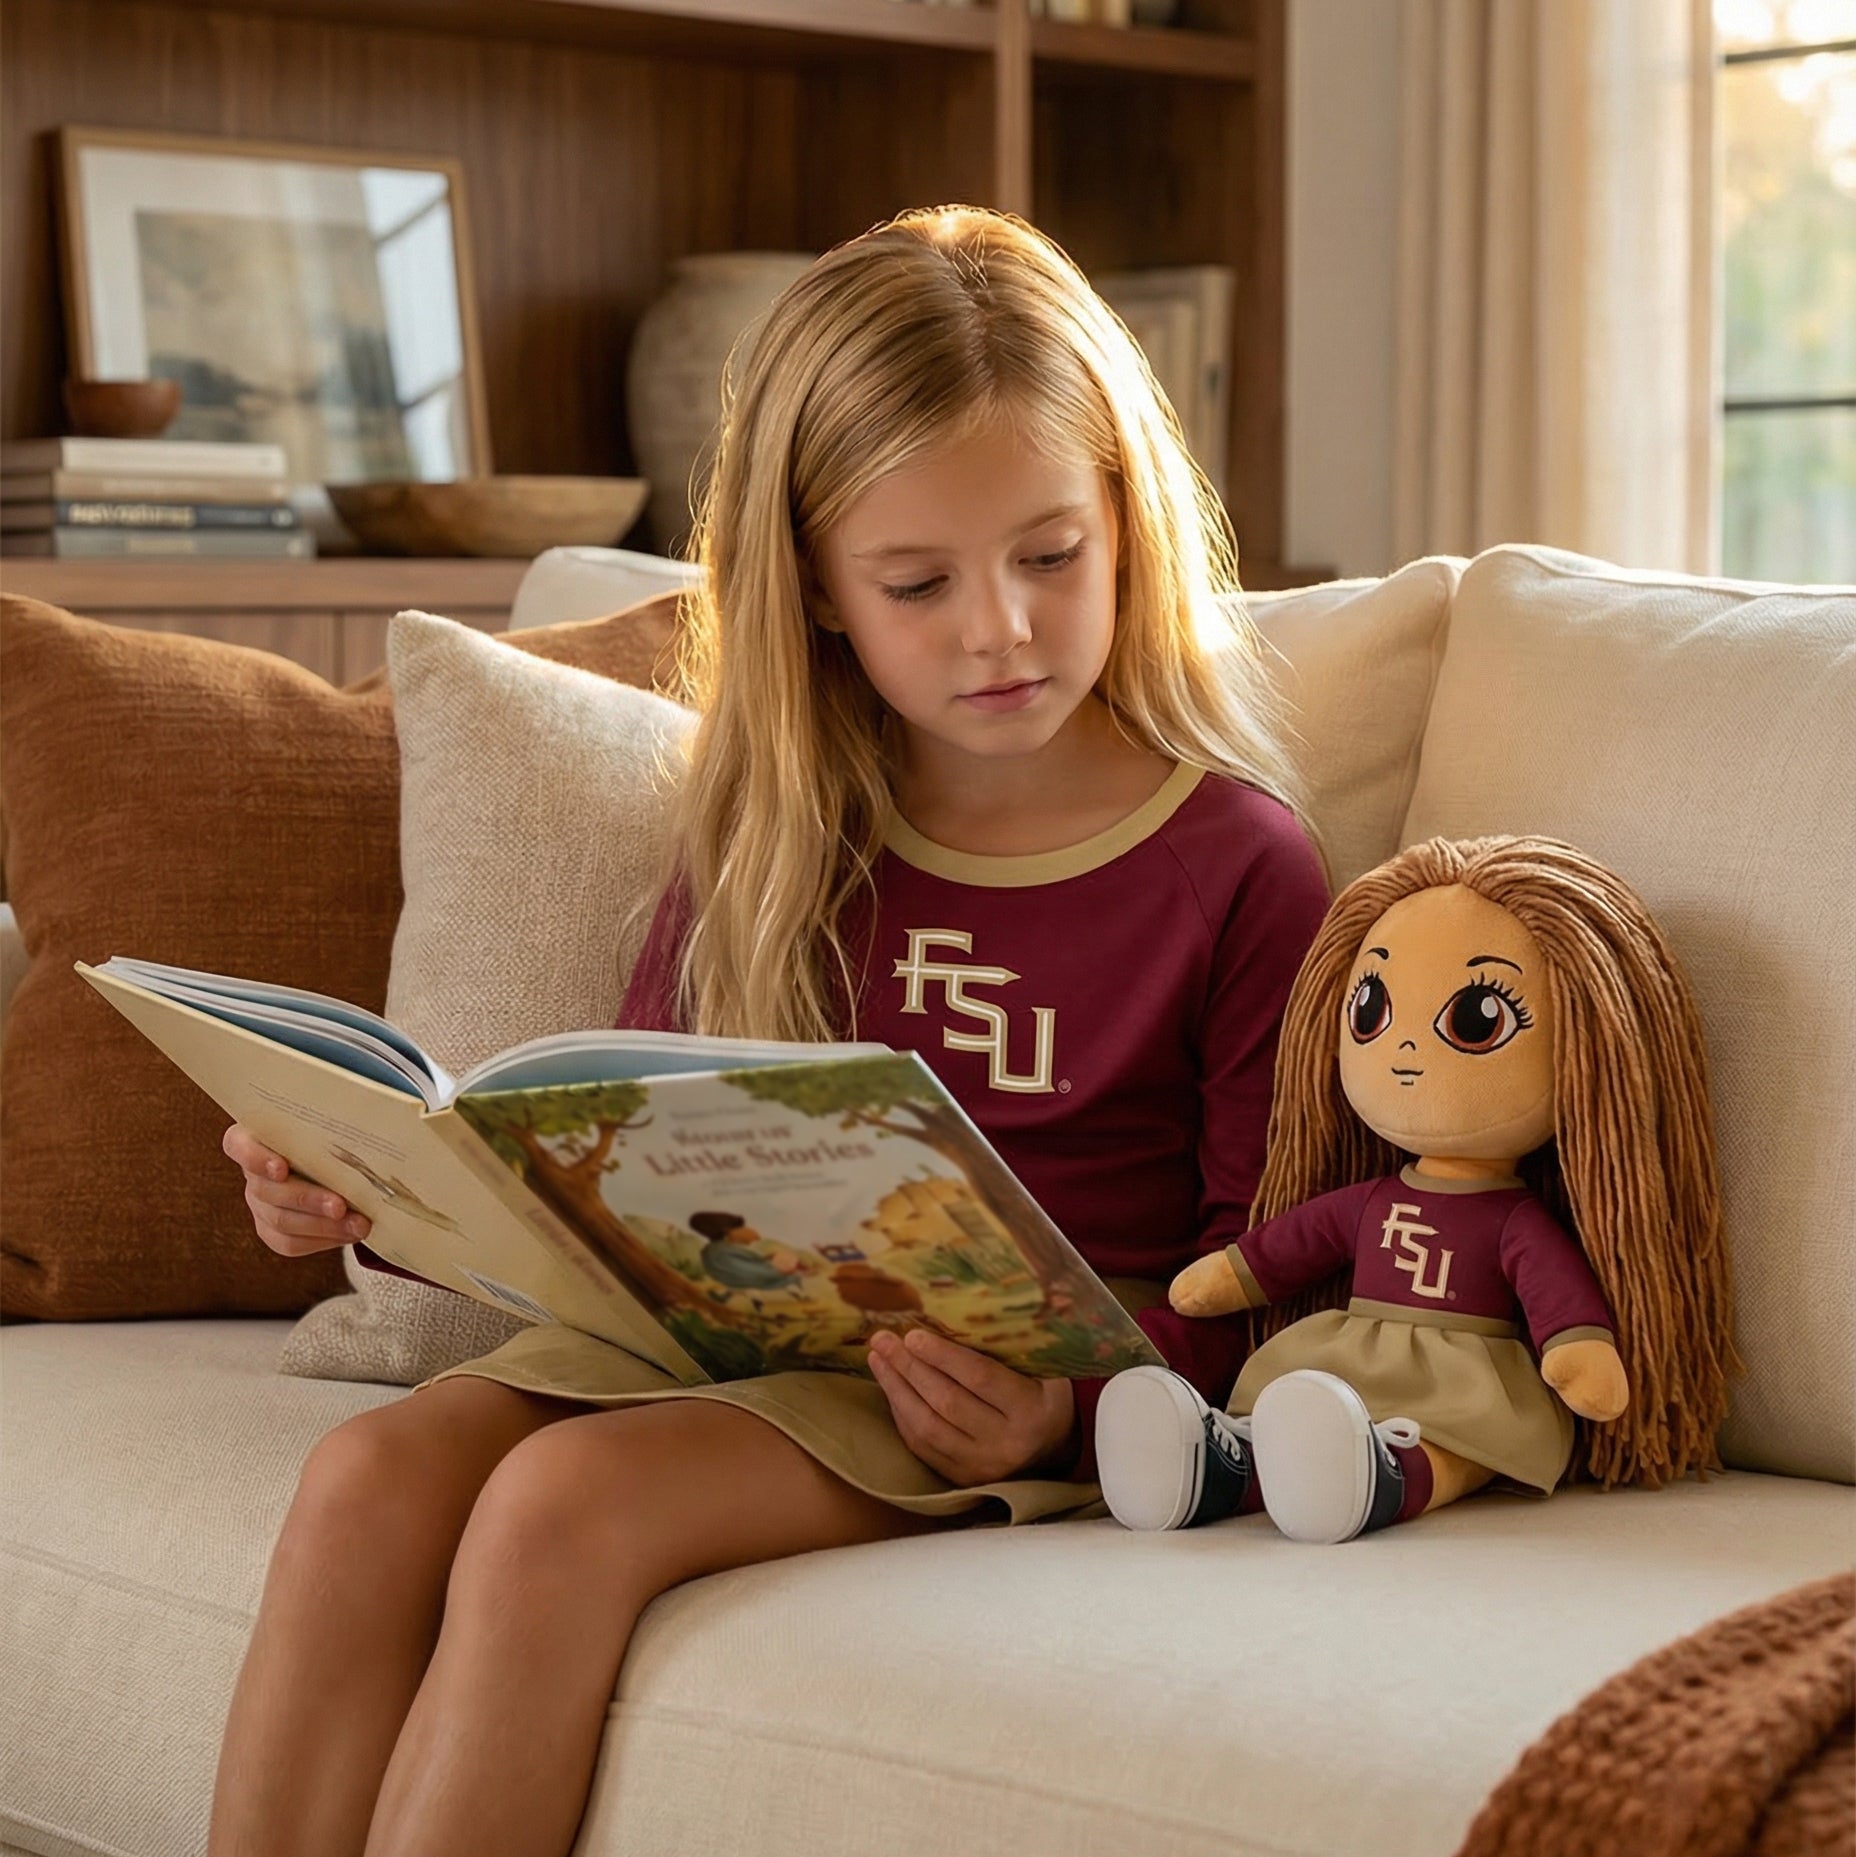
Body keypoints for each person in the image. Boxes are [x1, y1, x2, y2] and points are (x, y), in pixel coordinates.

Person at [210, 204, 1330, 1857]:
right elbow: (628, 1168)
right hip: (706, 1346)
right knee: (363, 1479)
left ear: (1128, 522)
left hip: (968, 1392)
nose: (999, 628)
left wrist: (1073, 1411)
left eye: (1048, 555)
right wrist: (380, 1195)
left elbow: (1278, 1268)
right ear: (815, 588)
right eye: (917, 582)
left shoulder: (1236, 861)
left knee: (559, 1509)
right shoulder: (783, 834)